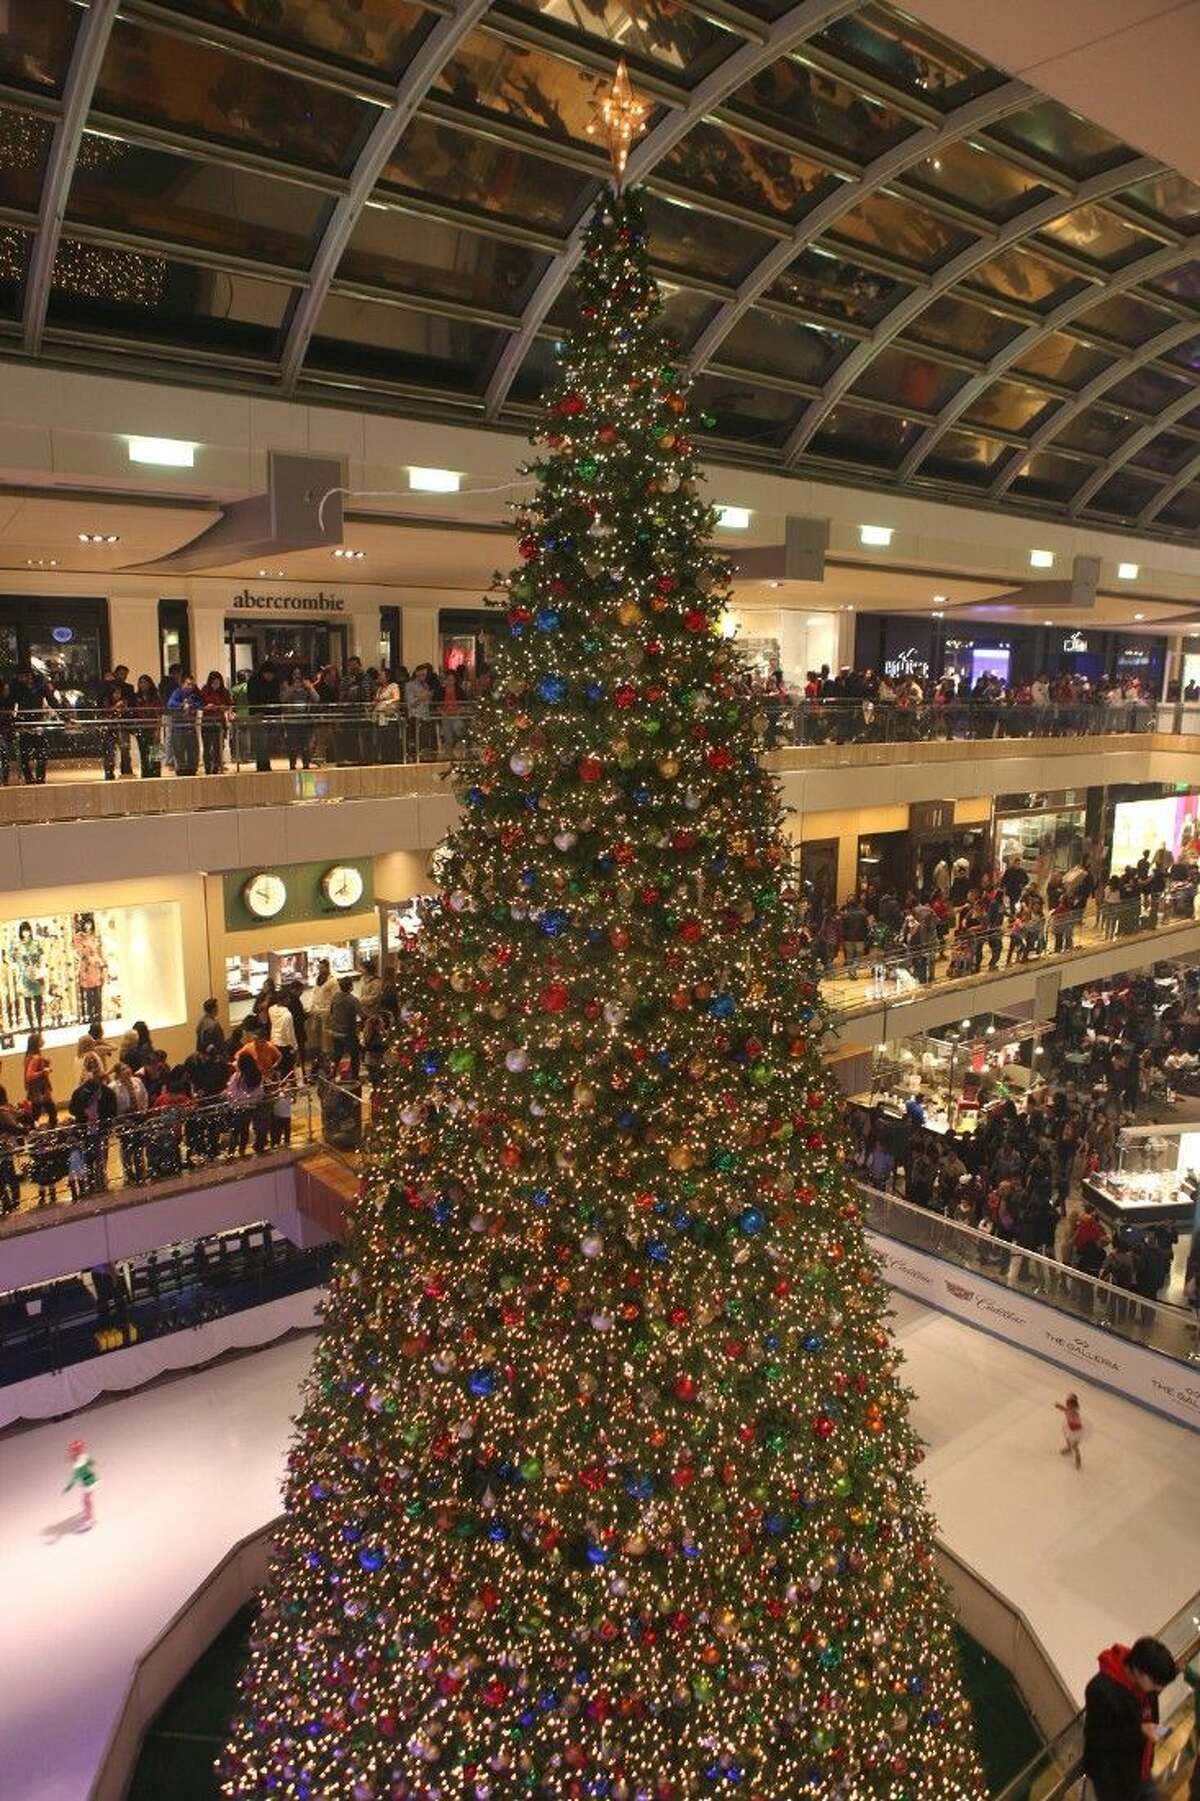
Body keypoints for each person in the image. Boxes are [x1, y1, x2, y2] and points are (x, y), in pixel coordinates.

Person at [1083, 1636, 1175, 1801]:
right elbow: (1098, 1740)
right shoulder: (1101, 1690)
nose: (1159, 1689)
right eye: (1156, 1683)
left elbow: (1148, 1720)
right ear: (1139, 1671)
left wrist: (1157, 1731)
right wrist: (1139, 1731)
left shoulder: (1147, 1687)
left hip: (1141, 1770)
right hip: (1115, 1783)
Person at [72, 912, 108, 1031]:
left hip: (96, 967)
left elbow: (99, 952)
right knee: (89, 995)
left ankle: (98, 1017)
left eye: (89, 924)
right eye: (86, 924)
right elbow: (80, 952)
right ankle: (91, 1018)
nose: (88, 926)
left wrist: (103, 965)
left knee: (98, 994)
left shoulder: (95, 937)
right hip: (87, 968)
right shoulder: (79, 937)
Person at [166, 674, 201, 775]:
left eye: (192, 685)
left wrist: (191, 705)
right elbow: (170, 704)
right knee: (179, 749)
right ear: (182, 684)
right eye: (188, 684)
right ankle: (180, 769)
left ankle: (192, 768)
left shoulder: (195, 694)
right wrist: (182, 705)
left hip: (190, 727)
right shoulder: (177, 692)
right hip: (178, 727)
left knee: (193, 749)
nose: (190, 687)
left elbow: (201, 703)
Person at [329, 975, 363, 1078]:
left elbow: (331, 1011)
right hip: (348, 1033)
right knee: (355, 1056)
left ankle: (332, 1074)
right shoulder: (353, 1000)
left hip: (335, 1031)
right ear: (350, 986)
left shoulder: (335, 996)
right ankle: (355, 1077)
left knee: (337, 1055)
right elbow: (362, 1014)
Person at [14, 919, 46, 1029]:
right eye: (23, 931)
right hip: (25, 976)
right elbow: (14, 959)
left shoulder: (36, 943)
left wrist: (40, 968)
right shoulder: (17, 945)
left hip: (37, 974)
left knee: (38, 1000)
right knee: (27, 1000)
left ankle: (40, 1023)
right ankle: (32, 1025)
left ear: (30, 931)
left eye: (27, 930)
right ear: (20, 932)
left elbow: (42, 956)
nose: (26, 933)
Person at [199, 670, 232, 774]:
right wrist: (206, 707)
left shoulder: (224, 691)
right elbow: (200, 704)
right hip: (207, 721)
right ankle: (208, 766)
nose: (216, 684)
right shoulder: (205, 690)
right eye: (214, 682)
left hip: (219, 721)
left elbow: (229, 705)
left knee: (219, 745)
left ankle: (217, 766)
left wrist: (223, 708)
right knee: (207, 745)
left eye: (218, 682)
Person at [131, 674, 164, 776]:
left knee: (156, 753)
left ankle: (157, 774)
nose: (143, 685)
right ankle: (145, 774)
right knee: (144, 753)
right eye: (141, 683)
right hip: (141, 728)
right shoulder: (136, 698)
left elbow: (159, 715)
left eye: (145, 682)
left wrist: (158, 731)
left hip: (154, 728)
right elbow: (134, 713)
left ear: (150, 684)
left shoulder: (156, 697)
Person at [24, 1029, 55, 1124]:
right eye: (41, 1039)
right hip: (39, 1090)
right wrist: (43, 1071)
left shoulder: (29, 1056)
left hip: (35, 1090)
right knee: (49, 1112)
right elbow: (29, 1075)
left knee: (37, 1113)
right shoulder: (35, 1058)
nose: (43, 1040)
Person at [1054, 1391, 1084, 1469]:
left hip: (1076, 1431)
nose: (1068, 1405)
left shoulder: (1074, 1412)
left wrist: (1060, 1407)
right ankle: (1069, 1449)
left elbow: (1068, 1411)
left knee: (1075, 1445)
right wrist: (1059, 1406)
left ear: (1074, 1406)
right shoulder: (1068, 1409)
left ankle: (1078, 1457)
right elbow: (1065, 1409)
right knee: (1067, 1437)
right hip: (1070, 1428)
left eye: (1069, 1404)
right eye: (1068, 1403)